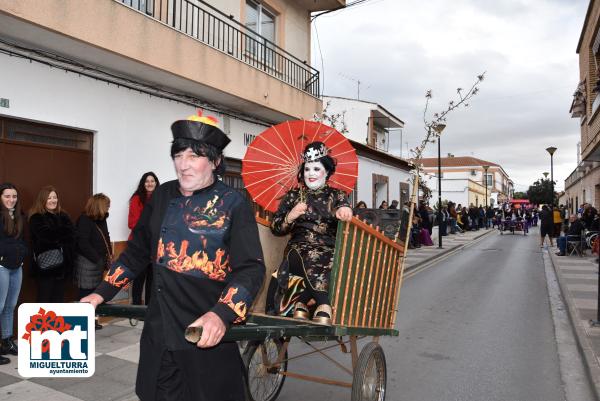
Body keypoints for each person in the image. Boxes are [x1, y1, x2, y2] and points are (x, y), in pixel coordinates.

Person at [81, 113, 265, 401]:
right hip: (161, 330)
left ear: (215, 161)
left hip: (203, 333)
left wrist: (221, 315)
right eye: (178, 155)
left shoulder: (234, 203)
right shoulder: (163, 195)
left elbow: (250, 270)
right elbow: (136, 253)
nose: (183, 164)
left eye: (194, 156)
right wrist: (100, 294)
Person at [270, 141, 352, 325]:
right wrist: (290, 216)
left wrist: (345, 211)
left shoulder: (337, 195)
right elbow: (275, 229)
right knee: (309, 257)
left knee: (333, 260)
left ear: (327, 172)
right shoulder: (292, 196)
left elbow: (345, 208)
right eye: (307, 169)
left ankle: (301, 303)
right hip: (297, 250)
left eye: (316, 168)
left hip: (330, 250)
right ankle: (323, 304)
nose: (311, 174)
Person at [28, 186, 75, 303]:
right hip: (46, 269)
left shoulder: (63, 215)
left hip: (63, 268)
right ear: (43, 200)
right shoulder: (36, 218)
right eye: (49, 198)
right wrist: (63, 233)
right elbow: (48, 236)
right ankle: (42, 322)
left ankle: (56, 322)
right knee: (44, 301)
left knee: (58, 301)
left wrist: (58, 234)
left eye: (55, 197)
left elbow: (73, 234)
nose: (53, 200)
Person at [75, 193, 112, 330]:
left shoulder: (101, 219)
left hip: (98, 261)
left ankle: (93, 320)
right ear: (99, 206)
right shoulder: (84, 219)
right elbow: (82, 243)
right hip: (87, 262)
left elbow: (106, 237)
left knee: (96, 291)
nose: (108, 208)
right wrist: (97, 258)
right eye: (107, 206)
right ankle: (83, 322)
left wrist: (109, 254)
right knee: (85, 292)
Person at [0, 183, 27, 363]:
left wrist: (22, 254)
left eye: (14, 196)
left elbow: (23, 240)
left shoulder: (19, 216)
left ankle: (7, 341)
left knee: (10, 306)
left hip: (17, 267)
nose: (11, 200)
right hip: (2, 267)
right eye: (7, 196)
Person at [128, 172, 160, 306]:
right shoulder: (136, 199)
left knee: (153, 279)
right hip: (140, 244)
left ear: (156, 183)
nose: (150, 183)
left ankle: (148, 308)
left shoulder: (161, 199)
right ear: (143, 183)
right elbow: (133, 223)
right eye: (147, 181)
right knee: (139, 277)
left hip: (156, 245)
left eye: (152, 181)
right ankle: (136, 307)